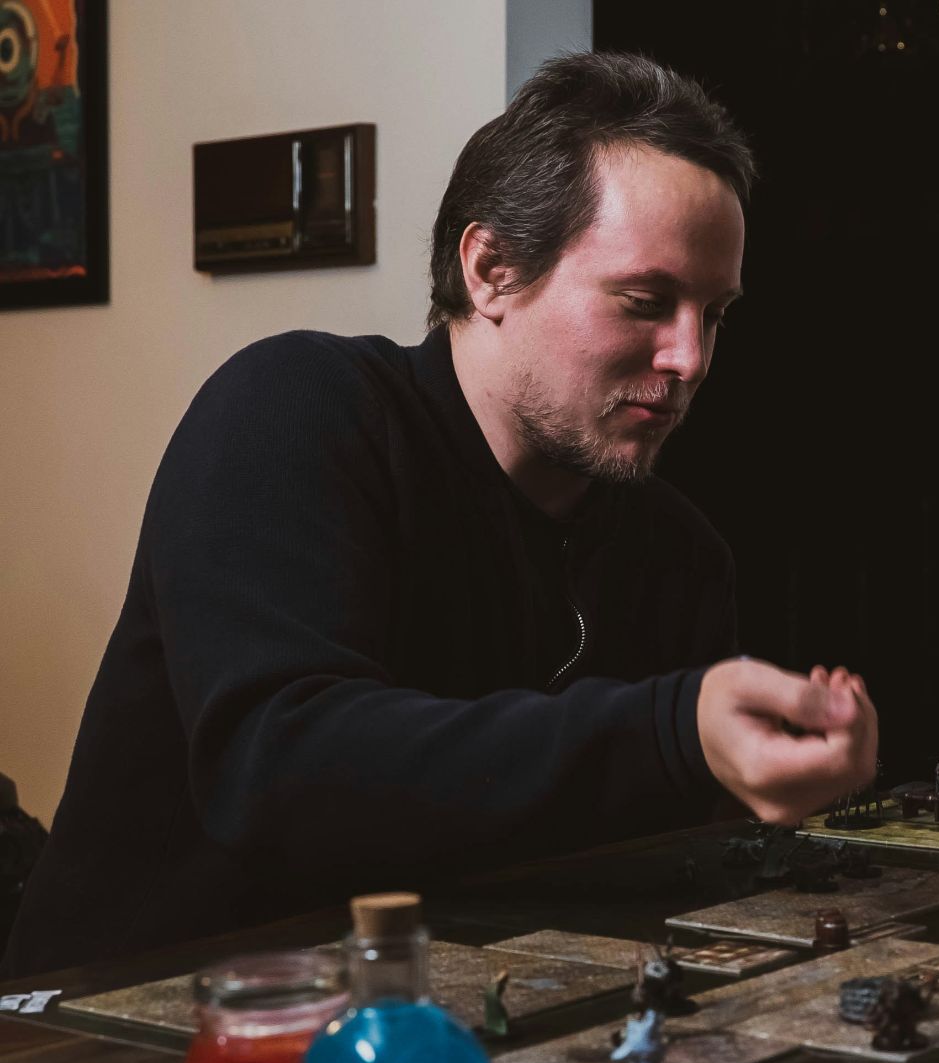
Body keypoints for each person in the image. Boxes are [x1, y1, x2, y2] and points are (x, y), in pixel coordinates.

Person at [2, 52, 877, 978]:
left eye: (715, 314)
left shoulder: (680, 553)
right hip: (129, 1014)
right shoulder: (293, 412)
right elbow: (283, 773)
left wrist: (762, 781)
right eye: (645, 302)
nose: (689, 358)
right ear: (491, 269)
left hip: (450, 1010)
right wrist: (672, 731)